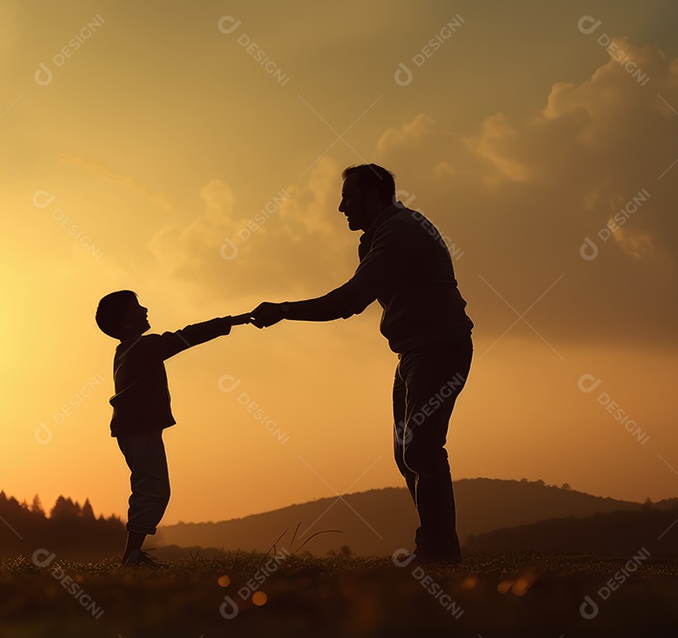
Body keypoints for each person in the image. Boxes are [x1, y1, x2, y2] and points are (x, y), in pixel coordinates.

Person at [250, 163, 473, 564]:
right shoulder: (381, 234)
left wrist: (284, 309)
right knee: (409, 453)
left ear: (374, 194)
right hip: (413, 352)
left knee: (421, 449)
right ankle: (438, 547)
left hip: (438, 348)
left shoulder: (398, 230)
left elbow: (349, 302)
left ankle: (439, 551)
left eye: (348, 198)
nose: (341, 208)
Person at [96, 290, 250, 568]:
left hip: (134, 428)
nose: (145, 310)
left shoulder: (125, 351)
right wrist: (235, 320)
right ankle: (131, 557)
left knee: (150, 487)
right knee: (152, 489)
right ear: (126, 322)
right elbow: (187, 336)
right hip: (139, 429)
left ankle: (132, 555)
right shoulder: (142, 347)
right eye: (138, 307)